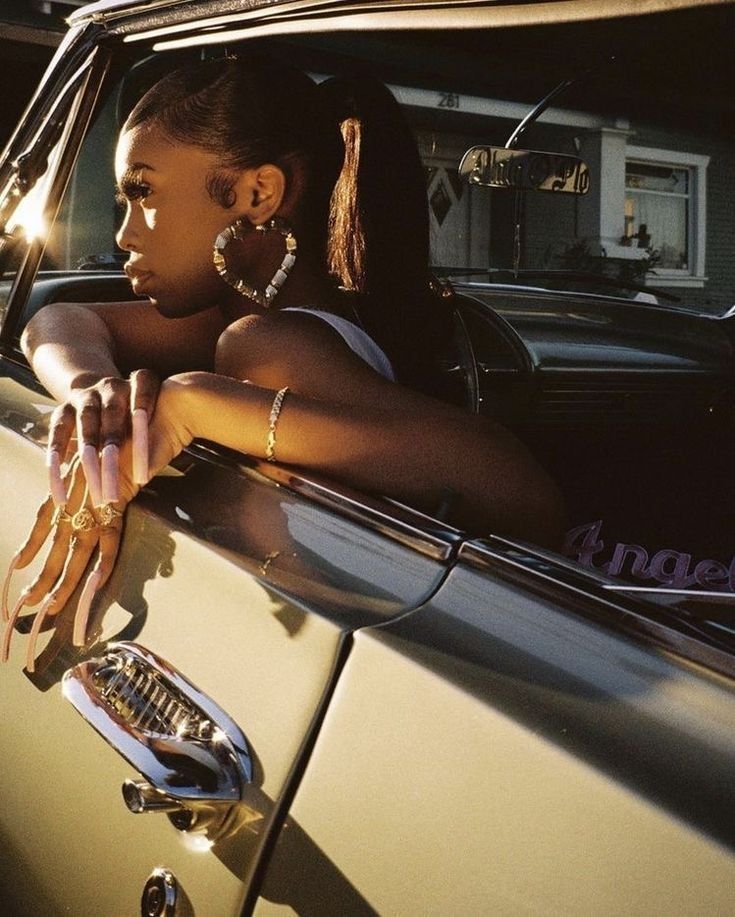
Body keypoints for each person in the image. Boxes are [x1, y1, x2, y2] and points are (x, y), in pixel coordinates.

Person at [3, 56, 564, 666]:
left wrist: (192, 403)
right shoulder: (244, 326)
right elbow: (58, 320)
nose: (125, 235)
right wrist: (93, 389)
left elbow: (526, 495)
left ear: (257, 194)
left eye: (143, 193)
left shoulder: (267, 346)